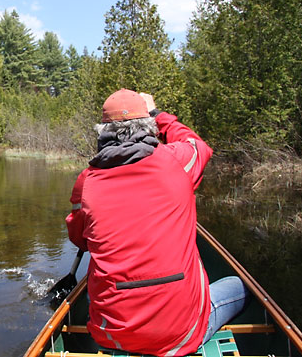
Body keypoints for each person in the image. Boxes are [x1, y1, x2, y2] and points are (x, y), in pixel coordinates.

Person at [65, 89, 249, 356]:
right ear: (149, 125)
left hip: (112, 335)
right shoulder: (178, 161)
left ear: (103, 130)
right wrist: (158, 114)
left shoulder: (87, 181)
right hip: (180, 334)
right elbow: (197, 144)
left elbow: (80, 240)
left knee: (96, 278)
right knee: (239, 286)